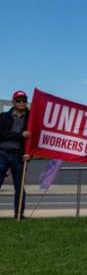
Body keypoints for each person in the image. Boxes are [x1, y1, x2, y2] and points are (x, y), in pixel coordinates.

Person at [0, 91, 31, 219]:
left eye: (24, 100)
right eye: (18, 100)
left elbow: (34, 138)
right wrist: (20, 135)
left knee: (19, 187)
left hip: (20, 157)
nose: (21, 102)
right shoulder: (3, 117)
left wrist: (30, 154)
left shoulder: (31, 118)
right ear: (13, 102)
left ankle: (19, 214)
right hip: (2, 154)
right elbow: (1, 134)